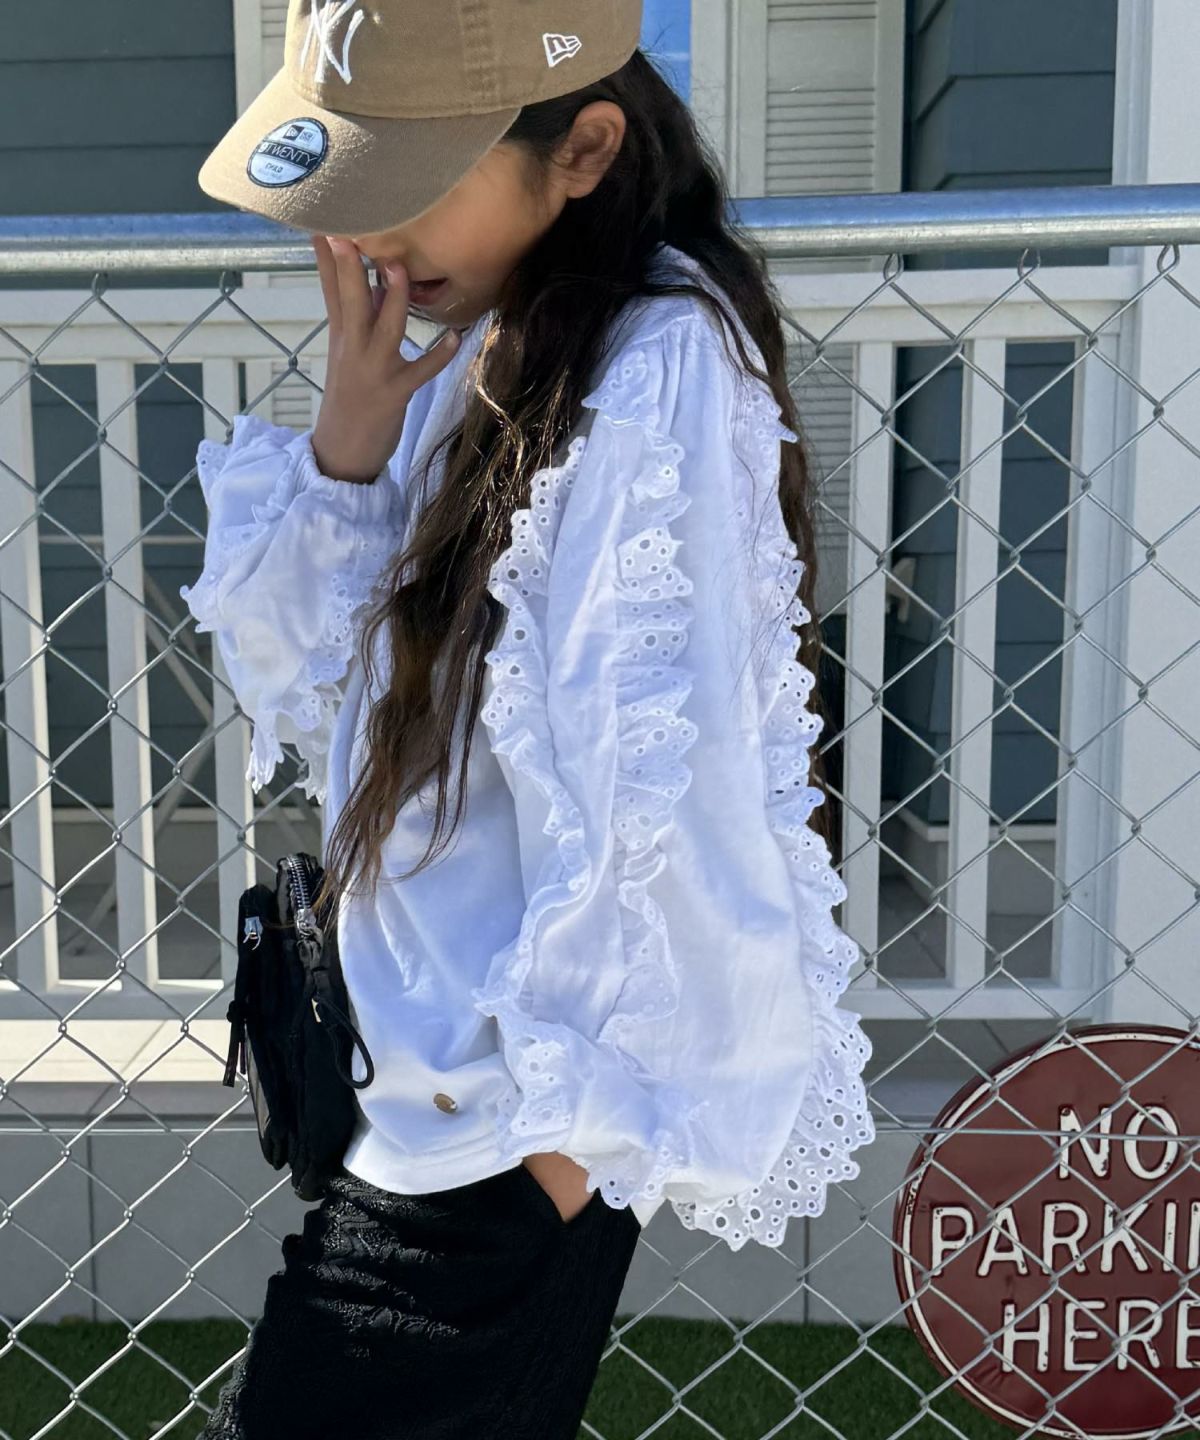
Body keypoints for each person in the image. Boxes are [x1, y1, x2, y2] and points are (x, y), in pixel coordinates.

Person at [180, 0, 876, 1434]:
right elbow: (287, 667)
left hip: (510, 1133)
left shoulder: (655, 362)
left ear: (585, 149)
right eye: (351, 187)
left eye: (414, 180)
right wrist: (352, 429)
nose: (372, 235)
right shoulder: (487, 345)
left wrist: (560, 1158)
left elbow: (663, 784)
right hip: (429, 1104)